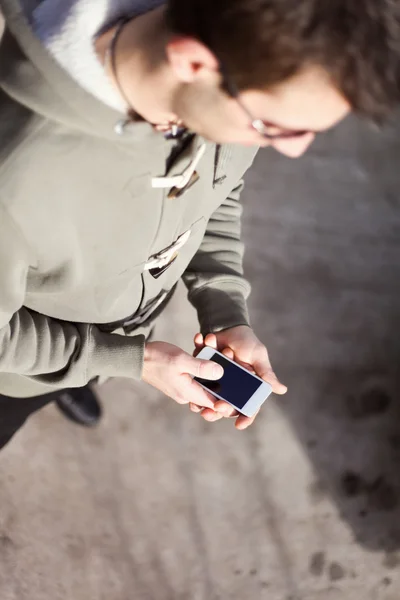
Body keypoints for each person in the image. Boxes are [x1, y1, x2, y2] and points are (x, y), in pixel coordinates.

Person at [0, 0, 398, 449]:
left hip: (108, 318)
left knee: (78, 370)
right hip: (12, 378)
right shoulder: (17, 183)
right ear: (192, 61)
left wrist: (225, 307)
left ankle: (75, 379)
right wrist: (128, 359)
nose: (294, 152)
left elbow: (218, 188)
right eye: (274, 127)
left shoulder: (208, 80)